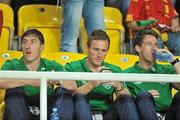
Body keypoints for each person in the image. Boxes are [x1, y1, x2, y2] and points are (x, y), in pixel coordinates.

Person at [55, 29, 140, 120]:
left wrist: (118, 85)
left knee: (125, 99)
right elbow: (67, 98)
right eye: (96, 49)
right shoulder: (72, 67)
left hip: (107, 114)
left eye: (104, 50)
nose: (99, 55)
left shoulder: (114, 70)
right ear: (87, 48)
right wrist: (91, 84)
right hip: (79, 113)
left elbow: (128, 96)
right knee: (79, 97)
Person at [1, 29, 64, 120]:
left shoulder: (51, 65)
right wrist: (27, 81)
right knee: (14, 91)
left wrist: (58, 80)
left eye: (33, 42)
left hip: (46, 109)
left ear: (41, 47)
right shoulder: (12, 65)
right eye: (24, 42)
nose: (27, 46)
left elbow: (72, 83)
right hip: (18, 110)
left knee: (63, 90)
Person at [122, 30, 180, 120]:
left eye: (156, 44)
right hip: (141, 115)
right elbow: (125, 104)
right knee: (145, 96)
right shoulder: (126, 74)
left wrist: (173, 60)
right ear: (138, 48)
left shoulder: (166, 69)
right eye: (149, 44)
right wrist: (142, 97)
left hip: (169, 114)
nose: (154, 48)